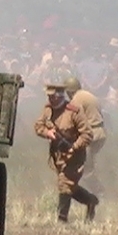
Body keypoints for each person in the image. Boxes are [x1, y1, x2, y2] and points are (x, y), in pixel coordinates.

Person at [34, 82, 98, 223]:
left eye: (53, 96)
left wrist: (73, 147)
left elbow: (87, 134)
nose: (51, 99)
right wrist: (47, 133)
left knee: (64, 184)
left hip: (75, 155)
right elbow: (38, 126)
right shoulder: (48, 110)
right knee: (69, 186)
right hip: (57, 155)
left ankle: (62, 220)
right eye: (49, 96)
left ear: (60, 96)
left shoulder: (74, 111)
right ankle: (90, 200)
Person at [64, 76, 107, 196]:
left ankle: (99, 192)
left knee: (85, 168)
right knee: (84, 163)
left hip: (90, 136)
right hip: (100, 133)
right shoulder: (89, 95)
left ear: (69, 91)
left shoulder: (76, 100)